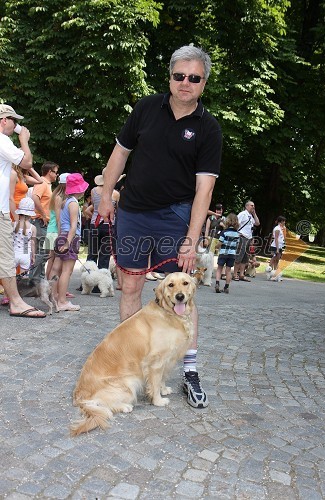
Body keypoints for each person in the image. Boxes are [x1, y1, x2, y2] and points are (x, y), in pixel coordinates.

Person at [99, 45, 222, 408]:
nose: (185, 83)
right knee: (131, 285)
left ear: (203, 83)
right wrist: (106, 194)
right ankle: (131, 366)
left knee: (183, 292)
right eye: (179, 75)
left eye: (194, 78)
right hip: (134, 211)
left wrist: (191, 239)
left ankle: (190, 372)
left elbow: (205, 188)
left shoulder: (208, 128)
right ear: (169, 76)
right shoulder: (145, 108)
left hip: (175, 216)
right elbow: (119, 153)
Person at [0, 103, 45, 317]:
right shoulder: (2, 139)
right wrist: (24, 140)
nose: (16, 125)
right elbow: (27, 161)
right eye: (14, 121)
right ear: (4, 120)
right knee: (6, 256)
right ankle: (16, 303)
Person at [51, 173, 89, 311]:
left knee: (56, 268)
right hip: (70, 238)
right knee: (67, 271)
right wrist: (67, 243)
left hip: (62, 235)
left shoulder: (64, 201)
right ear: (80, 189)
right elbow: (74, 226)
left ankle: (53, 297)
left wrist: (61, 238)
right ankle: (62, 301)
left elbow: (60, 223)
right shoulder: (73, 203)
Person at [30, 161, 60, 280]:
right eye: (56, 172)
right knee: (41, 252)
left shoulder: (47, 184)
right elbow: (34, 197)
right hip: (40, 221)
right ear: (49, 172)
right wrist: (43, 214)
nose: (57, 175)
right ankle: (34, 282)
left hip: (44, 222)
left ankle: (38, 280)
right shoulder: (42, 183)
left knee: (44, 253)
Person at [44, 172, 70, 279]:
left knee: (53, 260)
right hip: (55, 231)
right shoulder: (59, 197)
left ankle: (50, 287)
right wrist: (61, 236)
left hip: (53, 231)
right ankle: (48, 286)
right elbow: (59, 219)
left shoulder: (59, 196)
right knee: (53, 261)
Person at [233, 200, 260, 282]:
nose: (253, 207)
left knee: (245, 258)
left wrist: (254, 214)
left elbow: (257, 223)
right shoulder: (242, 214)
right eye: (252, 205)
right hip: (242, 237)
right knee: (239, 257)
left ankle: (241, 274)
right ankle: (235, 274)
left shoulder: (251, 216)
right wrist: (237, 234)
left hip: (248, 238)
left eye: (254, 205)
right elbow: (235, 223)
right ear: (246, 206)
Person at [215, 213, 240, 294]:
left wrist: (216, 246)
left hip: (223, 253)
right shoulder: (237, 234)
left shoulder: (224, 232)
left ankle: (217, 284)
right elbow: (237, 244)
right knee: (228, 271)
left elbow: (220, 243)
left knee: (219, 269)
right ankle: (226, 287)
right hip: (232, 254)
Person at [13, 197, 37, 274]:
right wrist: (33, 256)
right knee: (24, 279)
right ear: (30, 214)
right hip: (25, 253)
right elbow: (33, 244)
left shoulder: (14, 224)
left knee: (11, 278)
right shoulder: (32, 228)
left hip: (14, 253)